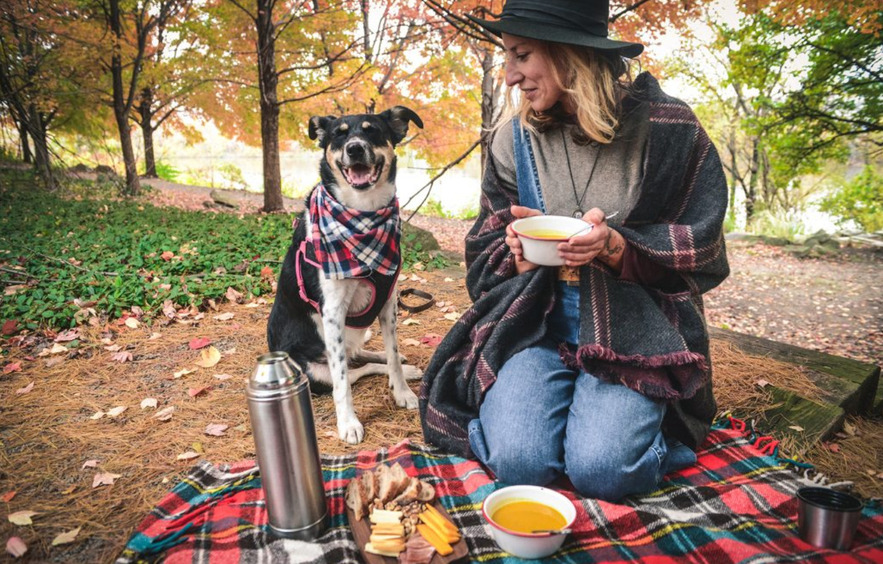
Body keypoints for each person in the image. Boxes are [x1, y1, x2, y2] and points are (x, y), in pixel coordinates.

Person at [419, 0, 730, 501]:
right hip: (535, 325)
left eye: (521, 55)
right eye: (506, 57)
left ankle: (656, 439)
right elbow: (482, 249)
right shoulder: (511, 139)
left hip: (634, 331)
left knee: (604, 472)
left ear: (570, 55)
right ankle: (537, 426)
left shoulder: (669, 130)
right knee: (520, 464)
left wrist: (616, 247)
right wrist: (516, 255)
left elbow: (704, 244)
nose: (509, 76)